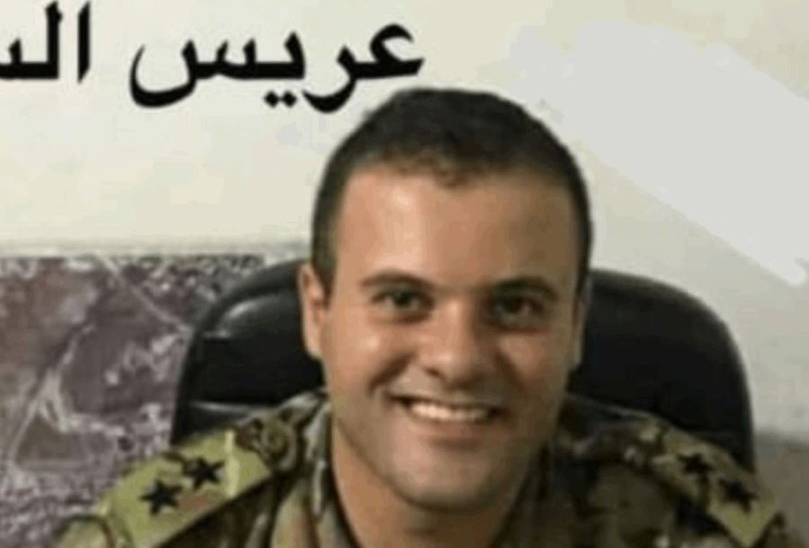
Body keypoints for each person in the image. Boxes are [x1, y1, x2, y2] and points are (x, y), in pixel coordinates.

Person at [53, 88, 804, 548]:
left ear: (575, 326)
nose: (457, 357)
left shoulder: (691, 528)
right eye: (403, 299)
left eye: (514, 306)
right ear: (318, 312)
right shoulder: (168, 533)